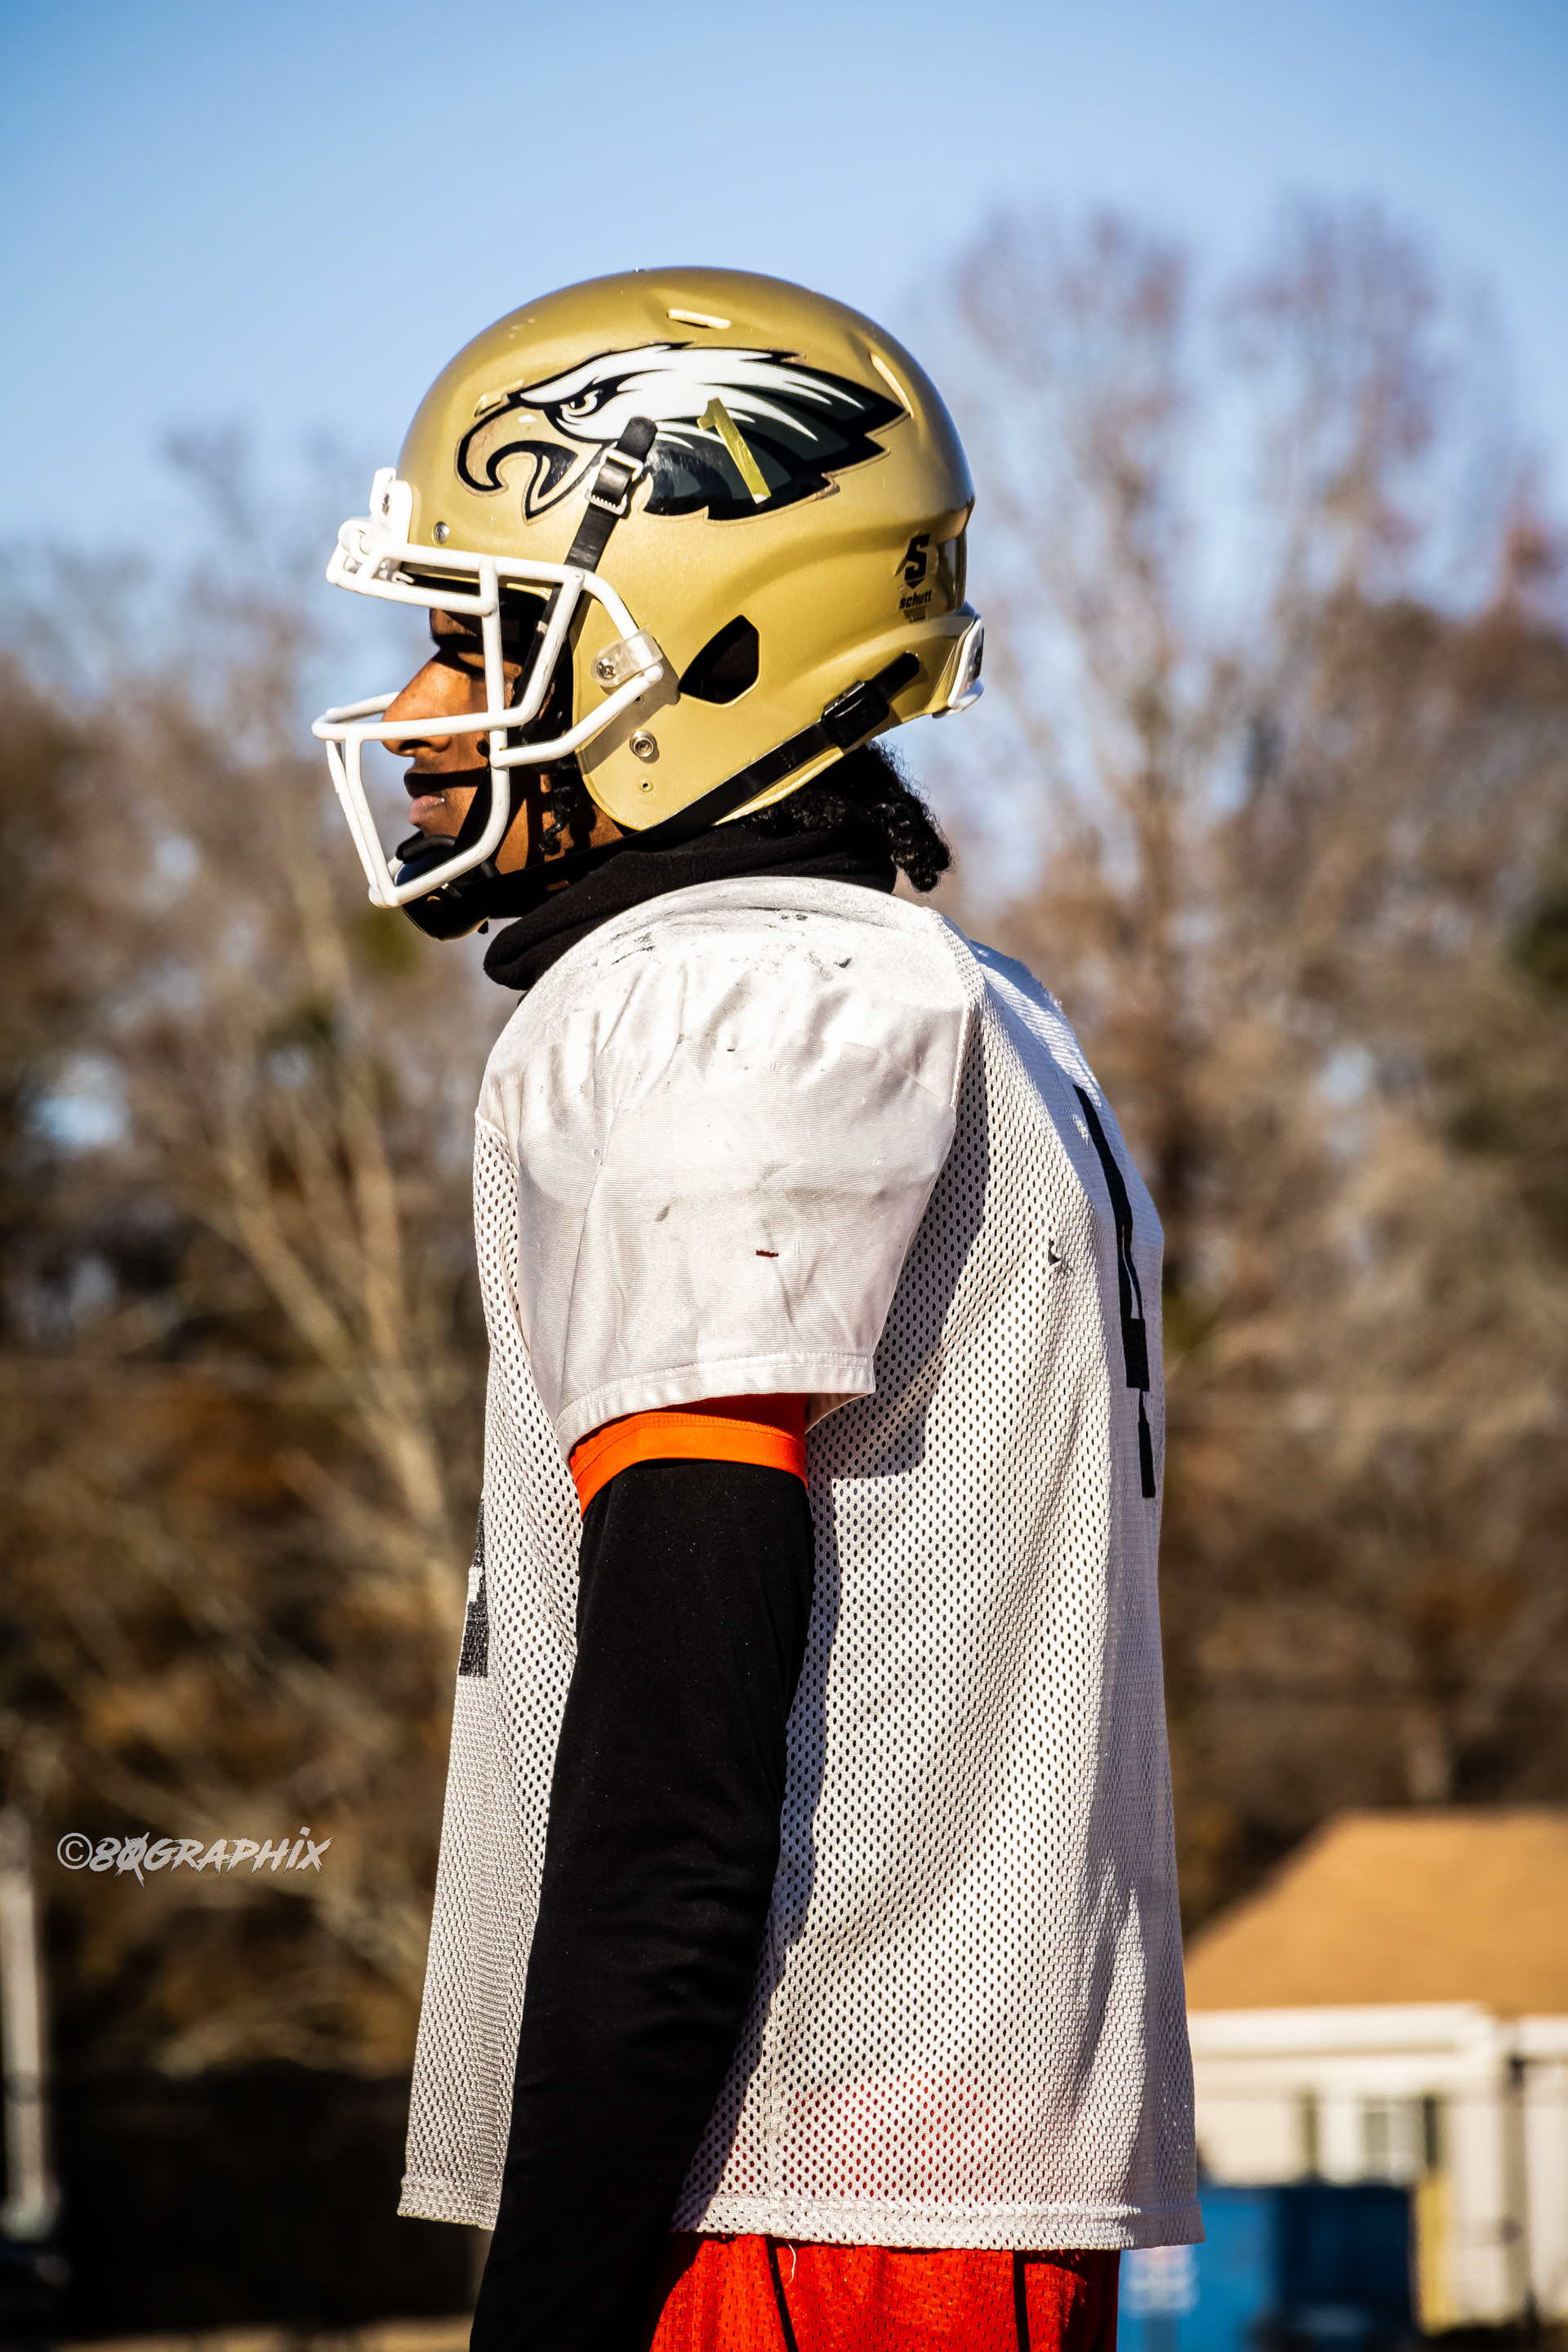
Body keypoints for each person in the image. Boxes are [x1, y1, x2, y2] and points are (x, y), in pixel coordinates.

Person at [314, 270, 1197, 2352]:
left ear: (708, 650)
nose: (421, 712)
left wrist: (551, 2306)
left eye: (479, 640)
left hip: (787, 2197)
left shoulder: (725, 997)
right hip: (924, 2176)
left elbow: (681, 1755)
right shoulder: (966, 996)